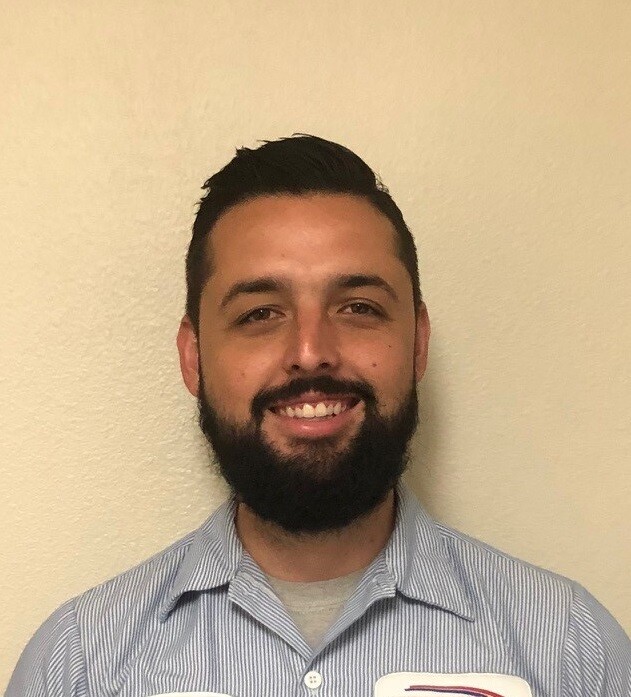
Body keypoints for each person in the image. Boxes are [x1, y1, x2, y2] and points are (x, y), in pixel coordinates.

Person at [6, 135, 630, 697]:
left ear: (418, 342)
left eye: (358, 307)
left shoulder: (573, 652)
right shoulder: (77, 666)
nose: (310, 352)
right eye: (259, 314)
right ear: (193, 357)